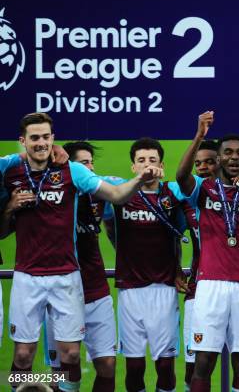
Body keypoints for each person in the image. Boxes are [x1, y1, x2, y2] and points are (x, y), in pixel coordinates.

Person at [0, 113, 163, 391]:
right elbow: (2, 231)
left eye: (46, 137)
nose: (41, 143)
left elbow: (115, 194)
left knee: (71, 355)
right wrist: (10, 208)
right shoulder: (9, 169)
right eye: (34, 138)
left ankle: (52, 385)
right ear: (22, 141)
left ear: (53, 138)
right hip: (27, 277)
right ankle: (23, 384)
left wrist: (139, 179)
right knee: (23, 356)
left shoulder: (72, 171)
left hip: (66, 277)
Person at [177, 112, 239, 392]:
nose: (234, 157)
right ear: (218, 159)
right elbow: (181, 176)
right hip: (210, 286)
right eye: (228, 153)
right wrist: (199, 136)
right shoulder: (205, 189)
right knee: (204, 361)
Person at [105, 137, 187, 392]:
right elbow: (109, 225)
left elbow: (179, 235)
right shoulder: (119, 192)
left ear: (161, 164)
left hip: (163, 288)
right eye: (141, 161)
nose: (147, 165)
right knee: (134, 366)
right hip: (130, 289)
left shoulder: (173, 193)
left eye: (152, 160)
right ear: (133, 167)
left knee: (165, 365)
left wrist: (177, 270)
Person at [42, 141, 117, 392]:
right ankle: (15, 381)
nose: (90, 168)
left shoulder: (101, 187)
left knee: (107, 364)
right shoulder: (50, 192)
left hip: (96, 289)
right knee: (60, 367)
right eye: (84, 163)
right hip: (59, 290)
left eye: (91, 162)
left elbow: (111, 222)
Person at [177, 139, 219, 391]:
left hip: (238, 286)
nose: (202, 168)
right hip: (197, 288)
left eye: (209, 162)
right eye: (198, 163)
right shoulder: (187, 199)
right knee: (194, 364)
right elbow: (167, 233)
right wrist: (174, 267)